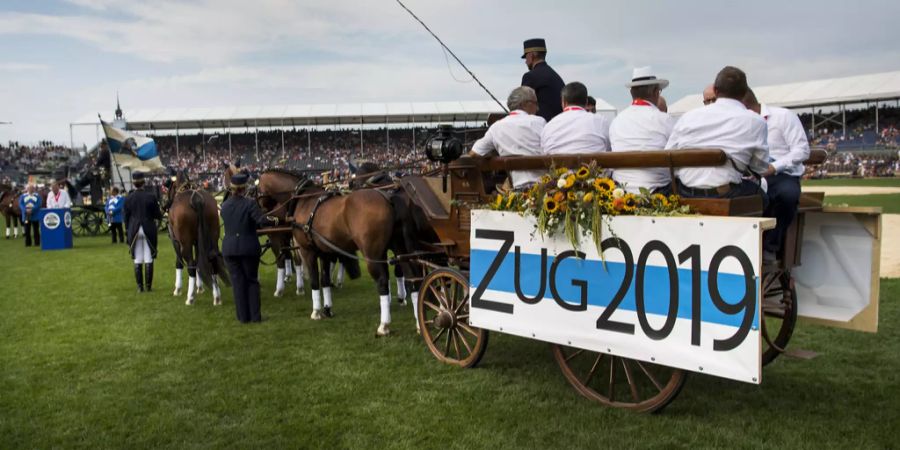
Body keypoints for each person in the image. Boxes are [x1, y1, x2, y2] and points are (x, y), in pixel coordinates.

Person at [666, 66, 772, 201]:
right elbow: (760, 167)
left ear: (716, 90)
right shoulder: (755, 121)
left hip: (685, 191)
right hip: (726, 193)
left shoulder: (688, 117)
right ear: (745, 93)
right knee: (765, 199)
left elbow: (669, 154)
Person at [743, 88, 810, 260]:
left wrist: (774, 167)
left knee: (787, 194)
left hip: (781, 173)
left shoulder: (783, 116)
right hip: (752, 174)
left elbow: (802, 150)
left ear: (745, 105)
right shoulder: (739, 123)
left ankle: (770, 247)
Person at [220, 172, 278, 323]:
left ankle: (242, 317)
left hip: (229, 249)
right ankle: (255, 316)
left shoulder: (225, 206)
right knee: (252, 281)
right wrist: (277, 220)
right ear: (244, 188)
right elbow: (261, 221)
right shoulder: (250, 203)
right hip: (248, 248)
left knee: (238, 284)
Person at [609, 67, 675, 194]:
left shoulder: (617, 121)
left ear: (631, 93)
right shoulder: (665, 120)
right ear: (656, 92)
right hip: (659, 191)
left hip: (621, 192)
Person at [469, 86, 546, 190]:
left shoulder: (496, 127)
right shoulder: (539, 122)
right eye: (536, 103)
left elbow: (474, 153)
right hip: (545, 187)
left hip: (518, 190)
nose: (538, 108)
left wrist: (493, 152)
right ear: (525, 104)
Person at [541, 81, 611, 154]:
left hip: (558, 165)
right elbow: (609, 148)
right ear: (586, 102)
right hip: (593, 164)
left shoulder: (548, 126)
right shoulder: (601, 121)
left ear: (563, 102)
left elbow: (544, 151)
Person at [124, 171, 162, 293]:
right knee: (149, 257)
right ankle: (148, 287)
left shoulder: (129, 198)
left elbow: (126, 217)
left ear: (134, 183)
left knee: (138, 258)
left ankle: (140, 287)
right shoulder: (151, 196)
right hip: (148, 228)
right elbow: (158, 215)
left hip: (134, 229)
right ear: (143, 182)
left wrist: (127, 230)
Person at [521, 38, 565, 123]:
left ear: (531, 55)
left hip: (541, 128)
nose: (526, 61)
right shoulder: (555, 76)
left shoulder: (530, 76)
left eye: (526, 57)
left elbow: (522, 106)